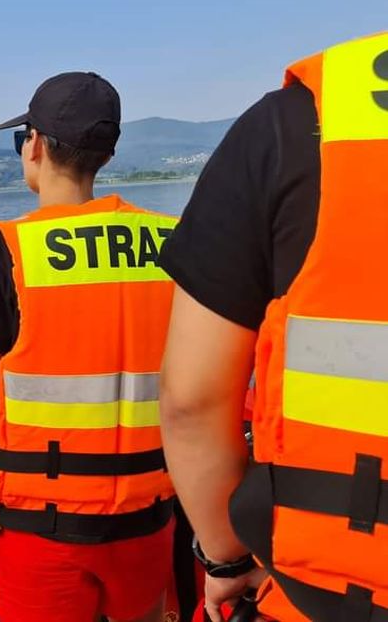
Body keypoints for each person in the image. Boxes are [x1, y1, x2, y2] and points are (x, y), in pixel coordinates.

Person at [158, 31, 388, 622]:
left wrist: (227, 561)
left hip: (332, 592)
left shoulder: (309, 115)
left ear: (35, 149)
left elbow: (191, 402)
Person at [0, 71, 179, 622]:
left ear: (36, 145)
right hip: (147, 514)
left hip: (39, 525)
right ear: (107, 155)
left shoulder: (6, 249)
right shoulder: (170, 241)